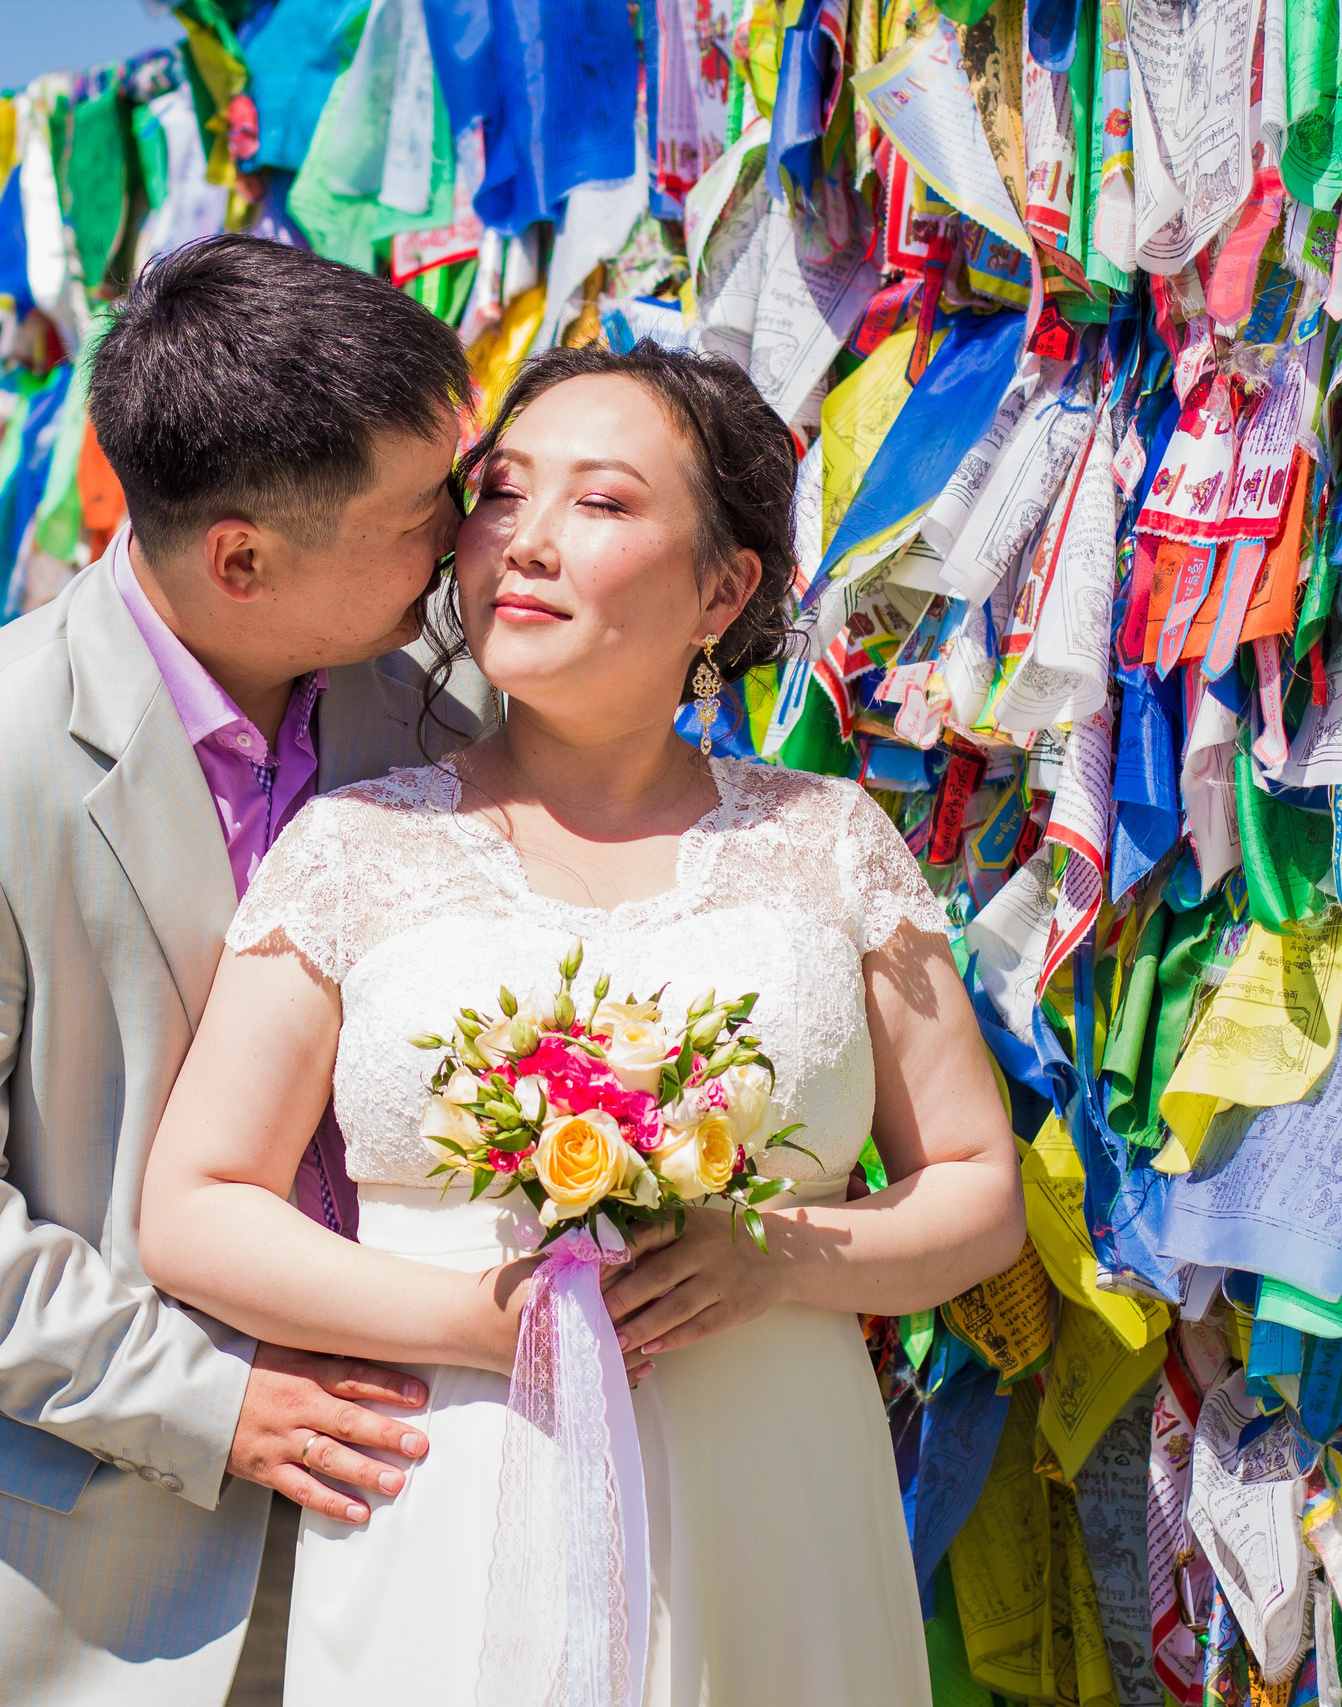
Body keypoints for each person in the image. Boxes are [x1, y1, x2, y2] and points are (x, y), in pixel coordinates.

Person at [139, 344, 1028, 1703]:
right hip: (452, 1489)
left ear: (724, 589)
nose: (527, 541)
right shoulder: (355, 845)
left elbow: (977, 1194)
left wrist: (780, 1259)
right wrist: (470, 1321)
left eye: (602, 504)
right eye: (500, 493)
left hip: (775, 1500)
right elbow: (196, 1205)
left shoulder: (828, 839)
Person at [0, 234, 492, 1704]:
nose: (466, 540)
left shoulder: (442, 710)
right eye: (427, 511)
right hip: (78, 1577)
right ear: (242, 558)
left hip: (422, 1530)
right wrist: (213, 1405)